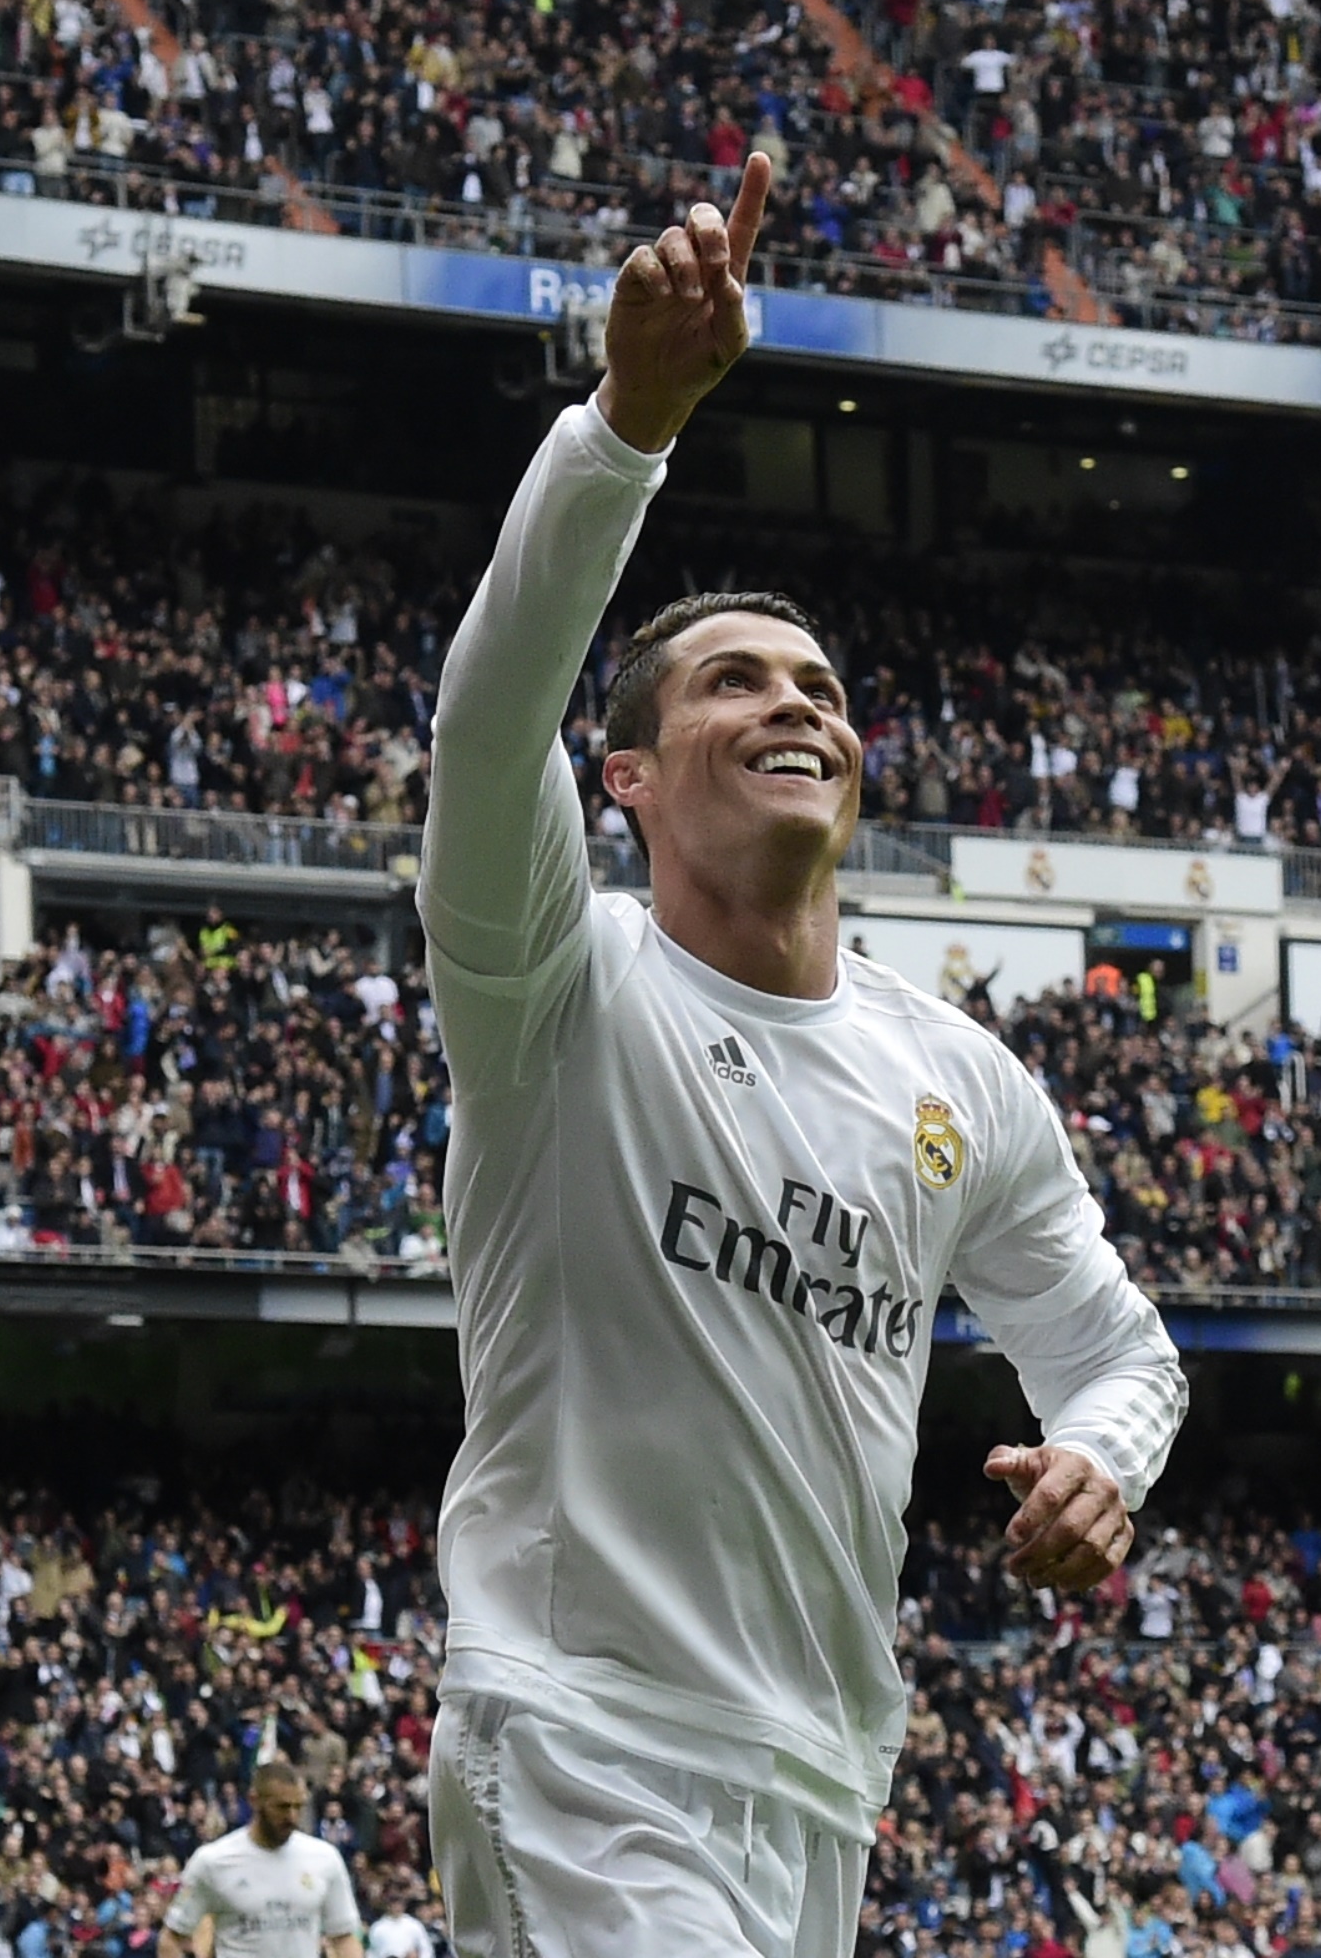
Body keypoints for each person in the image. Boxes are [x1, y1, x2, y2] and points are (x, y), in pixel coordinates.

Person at [418, 149, 1188, 1958]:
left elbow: (1115, 1348)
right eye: (736, 683)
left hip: (820, 1781)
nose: (795, 707)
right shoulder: (555, 985)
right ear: (625, 776)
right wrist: (629, 423)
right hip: (583, 1735)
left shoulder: (956, 1082)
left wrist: (1102, 1457)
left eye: (823, 692)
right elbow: (487, 712)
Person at [168, 1761, 365, 1958]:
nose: (292, 1816)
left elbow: (344, 1938)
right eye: (282, 1807)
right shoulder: (212, 1861)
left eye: (298, 1806)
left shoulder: (325, 1858)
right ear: (254, 1800)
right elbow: (171, 1940)